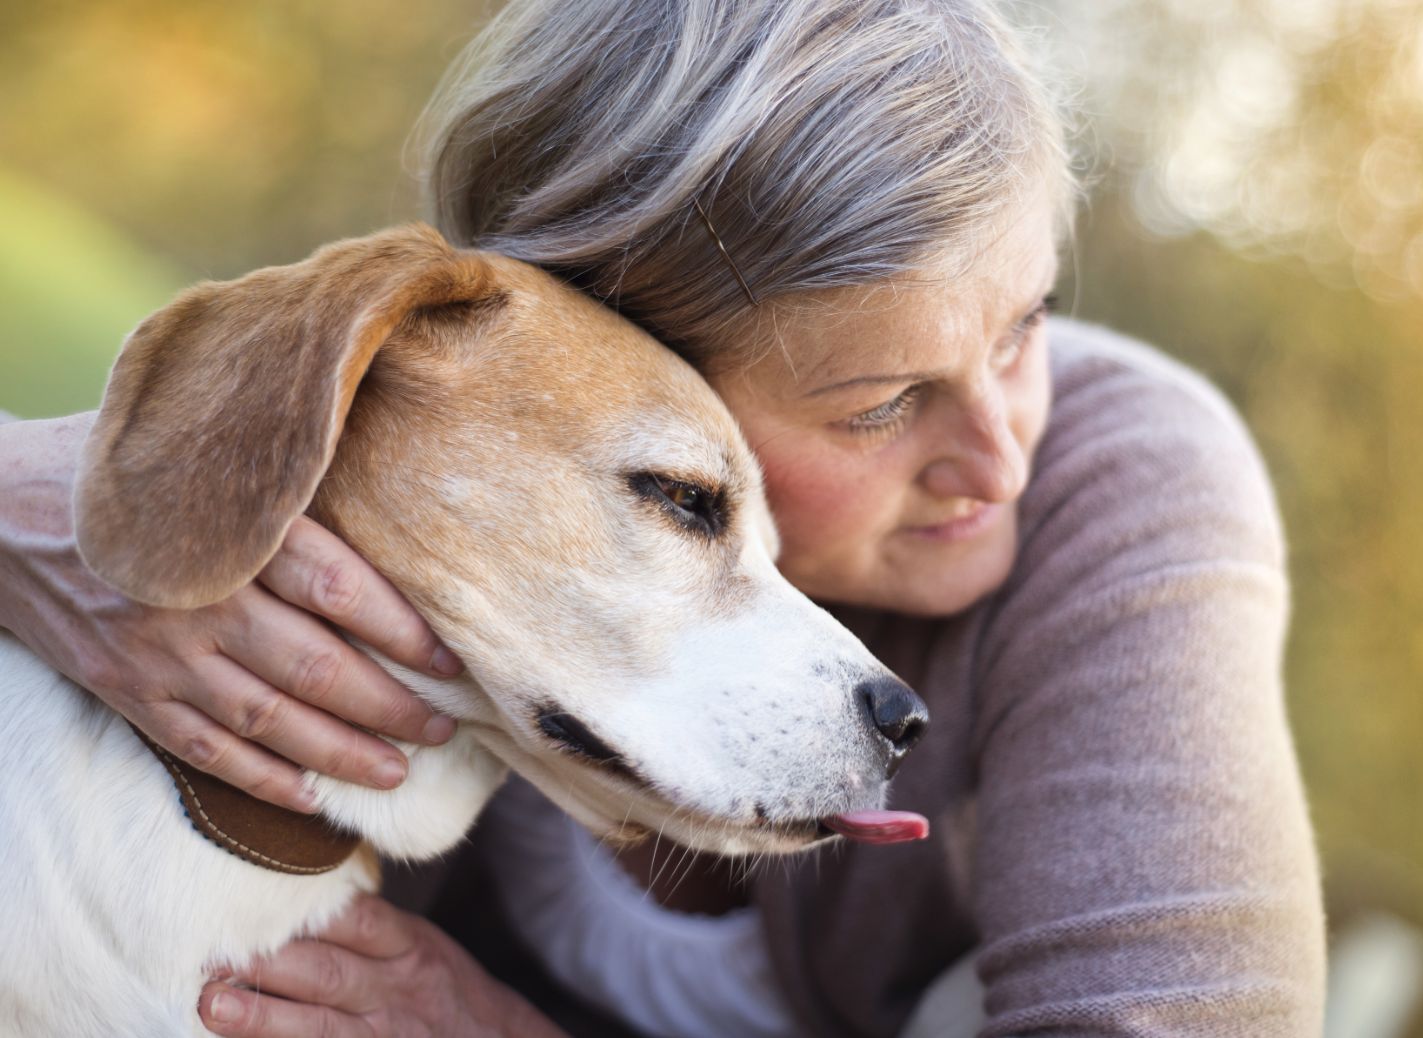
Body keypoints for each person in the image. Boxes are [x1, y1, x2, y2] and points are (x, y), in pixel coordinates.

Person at [0, 0, 1327, 1035]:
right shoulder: (469, 401)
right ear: (621, 344)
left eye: (1028, 321)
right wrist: (37, 511)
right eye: (879, 403)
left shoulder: (1123, 485)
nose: (1001, 454)